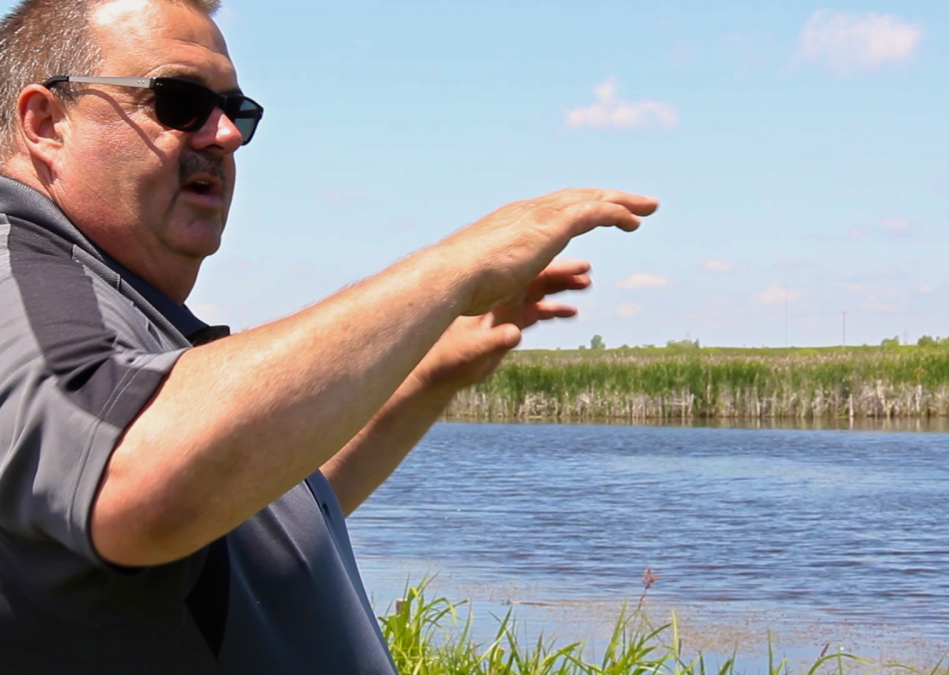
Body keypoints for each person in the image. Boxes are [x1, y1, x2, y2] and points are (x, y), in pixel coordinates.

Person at [0, 0, 657, 671]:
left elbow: (257, 516)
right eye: (179, 102)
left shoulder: (123, 305)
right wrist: (458, 266)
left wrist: (430, 372)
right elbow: (134, 485)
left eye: (238, 111)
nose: (224, 134)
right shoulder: (18, 275)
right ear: (46, 122)